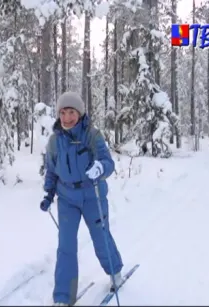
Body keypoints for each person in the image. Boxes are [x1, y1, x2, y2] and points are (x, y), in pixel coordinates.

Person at [40, 92, 124, 306]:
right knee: (66, 245)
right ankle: (62, 296)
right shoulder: (54, 141)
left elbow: (108, 162)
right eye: (63, 113)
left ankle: (115, 271)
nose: (67, 118)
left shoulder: (91, 135)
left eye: (71, 112)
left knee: (100, 237)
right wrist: (48, 194)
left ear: (80, 113)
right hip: (67, 198)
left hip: (91, 194)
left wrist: (100, 168)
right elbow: (51, 171)